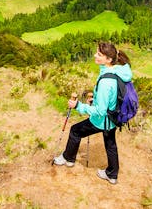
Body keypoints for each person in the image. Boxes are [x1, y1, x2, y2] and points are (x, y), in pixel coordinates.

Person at [53, 41, 132, 185]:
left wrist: (78, 105)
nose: (95, 55)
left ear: (108, 59)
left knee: (75, 131)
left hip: (102, 120)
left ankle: (68, 158)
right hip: (113, 118)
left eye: (99, 54)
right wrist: (95, 98)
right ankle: (112, 174)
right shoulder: (117, 71)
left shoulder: (105, 81)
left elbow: (100, 111)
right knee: (110, 144)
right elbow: (111, 96)